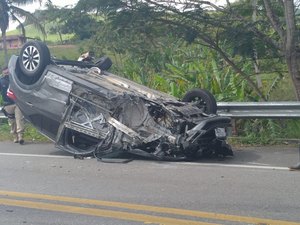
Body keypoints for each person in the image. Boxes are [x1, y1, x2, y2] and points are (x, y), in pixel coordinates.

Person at [0, 66, 25, 144]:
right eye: (5, 72)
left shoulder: (14, 79)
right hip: (7, 104)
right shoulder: (0, 81)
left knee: (19, 119)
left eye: (7, 71)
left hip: (17, 103)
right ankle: (15, 136)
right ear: (2, 72)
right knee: (12, 122)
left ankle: (20, 136)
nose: (6, 73)